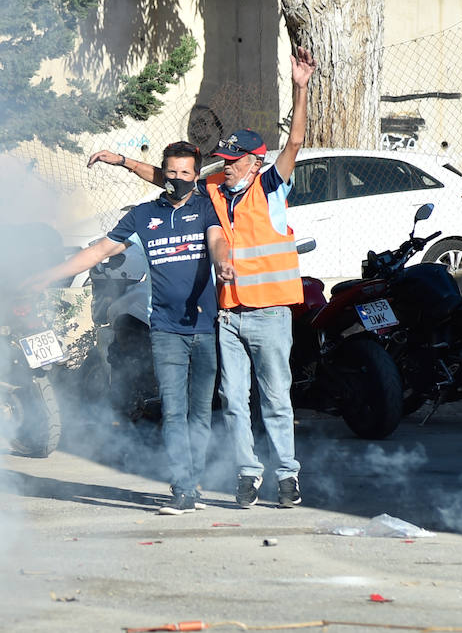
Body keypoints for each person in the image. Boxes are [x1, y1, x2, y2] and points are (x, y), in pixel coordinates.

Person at [87, 47, 317, 509]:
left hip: (270, 313)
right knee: (233, 401)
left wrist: (299, 86)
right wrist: (123, 162)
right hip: (229, 317)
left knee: (275, 399)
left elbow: (293, 144)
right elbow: (170, 179)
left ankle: (287, 475)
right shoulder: (212, 192)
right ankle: (249, 473)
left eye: (234, 159)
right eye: (224, 157)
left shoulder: (272, 186)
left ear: (256, 161)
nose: (226, 163)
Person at [22, 141, 230, 514]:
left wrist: (223, 263)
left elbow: (217, 239)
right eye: (171, 173)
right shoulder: (144, 215)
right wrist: (46, 276)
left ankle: (193, 482)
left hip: (203, 326)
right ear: (163, 174)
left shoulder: (206, 206)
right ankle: (182, 487)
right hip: (164, 328)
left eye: (186, 174)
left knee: (200, 412)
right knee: (173, 410)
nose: (178, 180)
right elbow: (99, 251)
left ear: (195, 176)